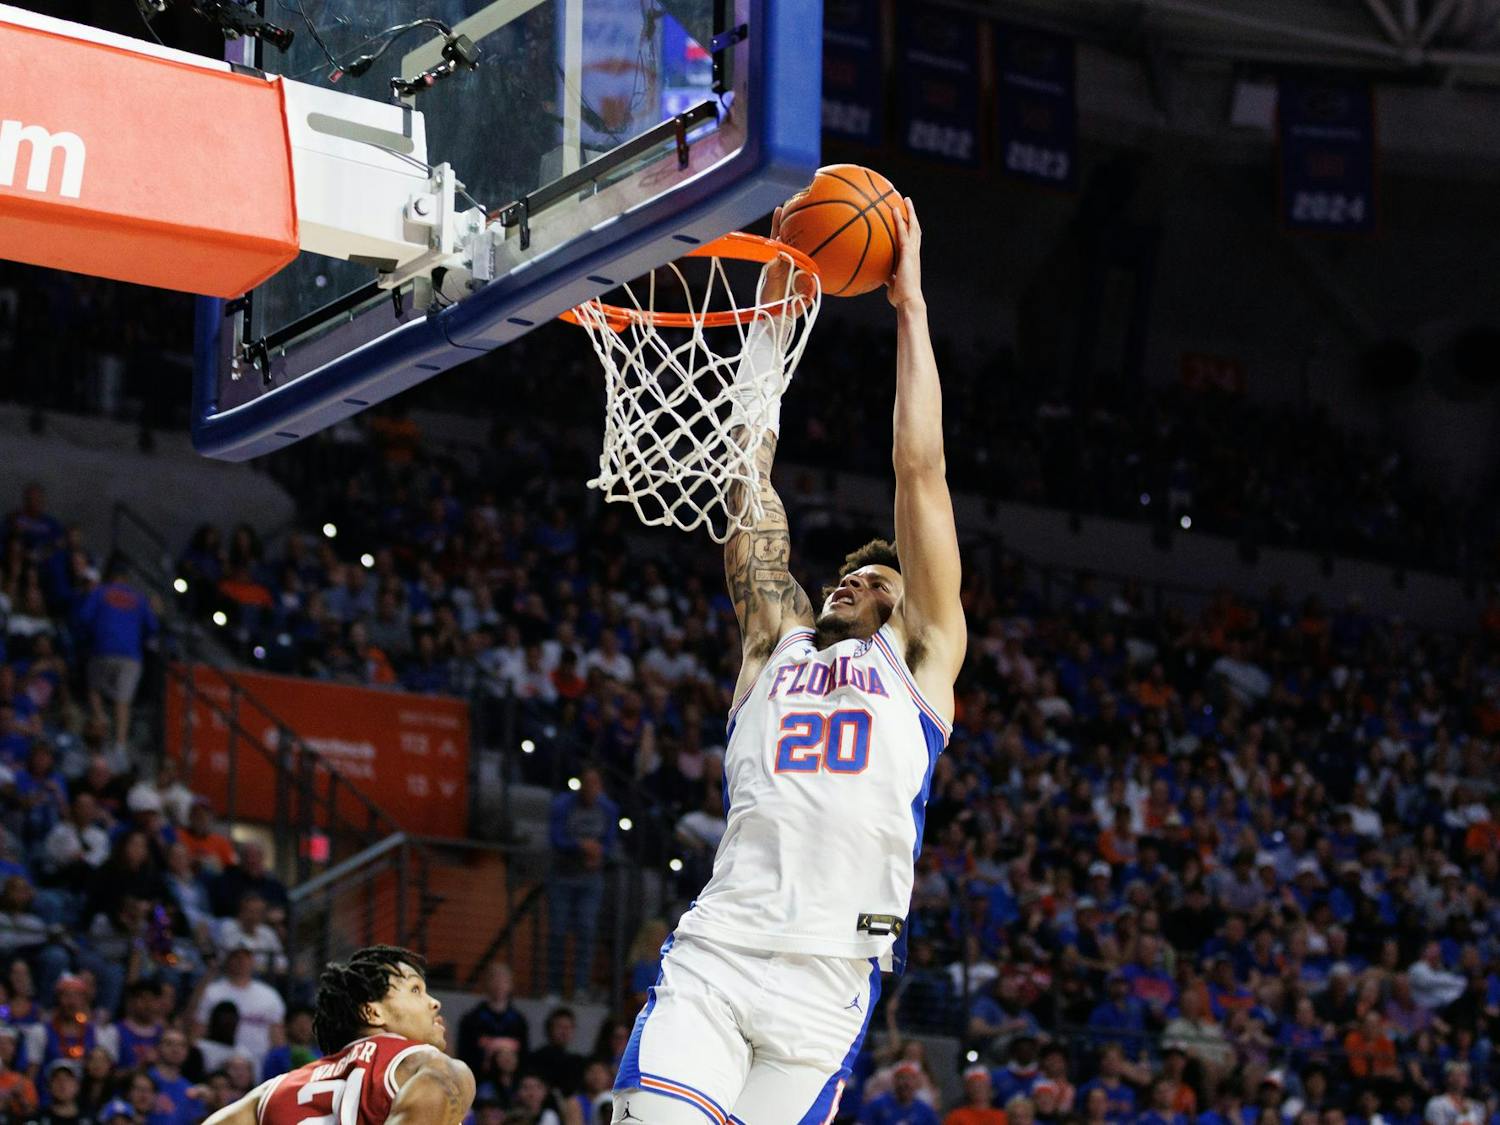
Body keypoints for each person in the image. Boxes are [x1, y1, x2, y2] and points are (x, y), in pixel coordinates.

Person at [613, 201, 966, 1121]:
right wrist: (769, 322)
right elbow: (747, 474)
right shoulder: (777, 641)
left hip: (830, 983)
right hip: (723, 950)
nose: (855, 582)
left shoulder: (921, 657)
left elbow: (917, 469)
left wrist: (912, 307)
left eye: (878, 579)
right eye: (849, 574)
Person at [199, 945, 474, 1125]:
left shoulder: (273, 1090)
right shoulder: (424, 1064)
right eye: (415, 989)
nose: (434, 1002)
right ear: (372, 1013)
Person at [75, 555, 158, 752]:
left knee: (94, 689)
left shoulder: (100, 592)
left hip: (103, 650)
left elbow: (83, 617)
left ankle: (101, 719)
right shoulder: (138, 597)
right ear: (126, 577)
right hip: (130, 656)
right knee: (123, 701)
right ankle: (120, 745)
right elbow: (153, 627)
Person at [859, 1062, 942, 1125]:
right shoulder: (878, 1104)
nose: (905, 1083)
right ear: (894, 1081)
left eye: (910, 1079)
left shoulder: (925, 1111)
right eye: (902, 1078)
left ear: (917, 1084)